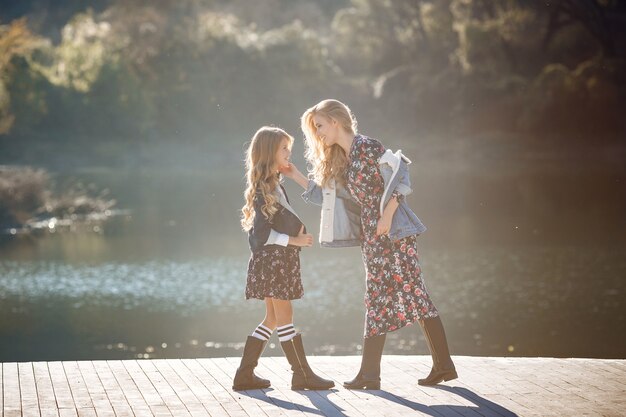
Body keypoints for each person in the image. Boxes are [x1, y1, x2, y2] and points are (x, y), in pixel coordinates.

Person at [282, 99, 457, 388]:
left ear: (336, 121)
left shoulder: (368, 147)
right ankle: (370, 375)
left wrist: (387, 216)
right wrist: (295, 176)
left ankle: (442, 365)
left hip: (396, 232)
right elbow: (326, 198)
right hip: (373, 239)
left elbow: (401, 176)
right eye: (316, 129)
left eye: (320, 126)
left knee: (415, 292)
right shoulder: (341, 159)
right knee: (376, 299)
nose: (319, 133)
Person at [232, 126, 335, 391]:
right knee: (285, 317)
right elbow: (261, 235)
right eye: (284, 149)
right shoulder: (263, 189)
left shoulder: (273, 184)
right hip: (274, 262)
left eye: (289, 148)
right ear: (269, 154)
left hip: (276, 261)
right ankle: (301, 374)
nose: (290, 153)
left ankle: (245, 374)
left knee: (273, 320)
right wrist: (295, 240)